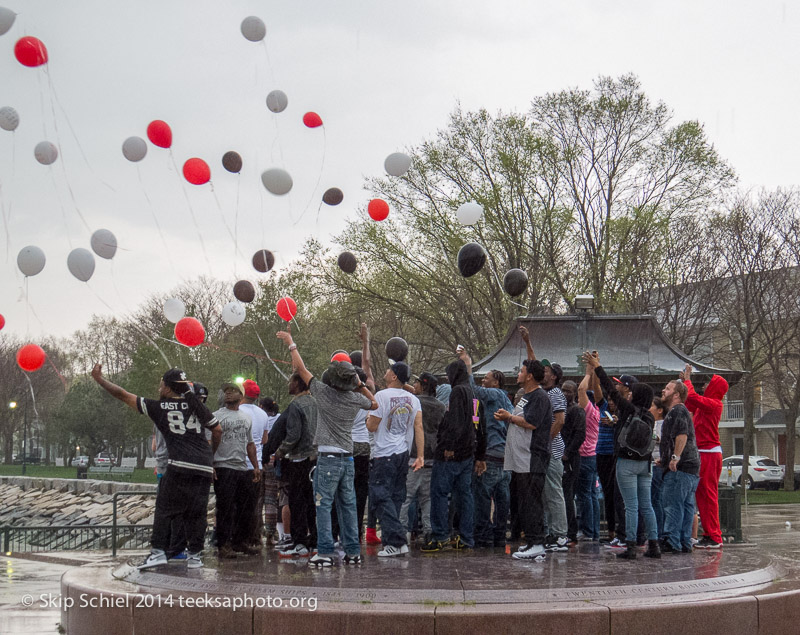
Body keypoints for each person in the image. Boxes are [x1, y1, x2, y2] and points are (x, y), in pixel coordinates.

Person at [91, 365, 220, 570]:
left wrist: (100, 380)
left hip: (179, 464)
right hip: (203, 466)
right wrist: (209, 458)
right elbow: (217, 429)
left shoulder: (159, 407)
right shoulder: (196, 406)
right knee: (197, 513)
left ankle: (158, 552)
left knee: (164, 509)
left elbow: (123, 395)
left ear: (168, 388)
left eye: (161, 385)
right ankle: (195, 555)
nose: (159, 388)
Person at [277, 330, 378, 567]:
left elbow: (301, 369)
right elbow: (374, 402)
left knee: (323, 505)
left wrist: (292, 343)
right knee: (349, 505)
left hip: (328, 458)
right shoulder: (354, 399)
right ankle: (353, 551)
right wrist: (360, 384)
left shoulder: (322, 393)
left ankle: (324, 551)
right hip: (348, 458)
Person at [586, 352, 660, 560]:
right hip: (645, 464)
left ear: (635, 396)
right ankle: (653, 545)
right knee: (647, 505)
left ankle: (631, 546)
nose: (627, 395)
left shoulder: (628, 410)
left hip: (626, 462)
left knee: (631, 506)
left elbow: (610, 389)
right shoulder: (649, 416)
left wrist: (598, 367)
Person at [495, 359, 552, 560]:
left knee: (531, 501)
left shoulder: (539, 396)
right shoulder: (527, 396)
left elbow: (531, 422)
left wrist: (509, 417)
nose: (518, 373)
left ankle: (537, 542)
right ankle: (531, 541)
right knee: (524, 502)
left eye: (521, 371)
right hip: (520, 459)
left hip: (532, 457)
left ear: (529, 376)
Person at [366, 362, 424, 557]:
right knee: (396, 497)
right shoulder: (413, 399)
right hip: (403, 454)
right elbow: (418, 427)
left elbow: (372, 426)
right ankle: (393, 543)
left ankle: (397, 540)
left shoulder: (381, 396)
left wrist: (368, 417)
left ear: (394, 377)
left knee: (380, 497)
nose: (386, 370)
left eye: (389, 369)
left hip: (384, 454)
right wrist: (421, 455)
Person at [458, 349, 513, 548]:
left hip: (490, 455)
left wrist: (468, 367)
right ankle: (499, 535)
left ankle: (482, 535)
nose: (484, 381)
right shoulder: (506, 399)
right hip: (504, 457)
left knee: (482, 497)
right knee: (502, 499)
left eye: (487, 378)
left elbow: (474, 392)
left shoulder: (494, 394)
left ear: (496, 382)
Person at [422, 359, 477, 552]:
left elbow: (456, 420)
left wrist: (449, 445)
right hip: (468, 452)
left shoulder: (457, 392)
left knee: (439, 493)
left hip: (451, 453)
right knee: (465, 495)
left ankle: (441, 535)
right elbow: (475, 421)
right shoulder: (471, 391)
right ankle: (466, 536)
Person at [210, 383, 261, 558]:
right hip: (223, 466)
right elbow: (210, 441)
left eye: (233, 390)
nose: (229, 393)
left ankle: (240, 541)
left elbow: (250, 443)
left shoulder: (246, 417)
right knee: (225, 507)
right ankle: (223, 544)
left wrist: (255, 466)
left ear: (242, 395)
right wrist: (211, 464)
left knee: (245, 507)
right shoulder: (216, 417)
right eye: (226, 391)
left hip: (241, 466)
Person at [272, 372, 318, 558]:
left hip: (298, 459)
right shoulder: (316, 403)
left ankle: (299, 543)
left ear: (298, 383)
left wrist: (279, 453)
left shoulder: (295, 406)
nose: (288, 384)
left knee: (297, 502)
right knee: (313, 502)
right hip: (315, 458)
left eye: (291, 381)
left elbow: (293, 436)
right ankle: (314, 540)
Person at [682, 365, 728, 550]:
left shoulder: (715, 403)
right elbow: (689, 403)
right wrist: (685, 384)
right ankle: (709, 534)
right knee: (703, 495)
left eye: (710, 383)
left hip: (709, 453)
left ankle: (715, 536)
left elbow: (692, 398)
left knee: (708, 495)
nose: (706, 385)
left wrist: (687, 379)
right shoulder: (706, 403)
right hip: (704, 452)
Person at [399, 372, 445, 544]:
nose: (415, 385)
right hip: (432, 456)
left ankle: (402, 532)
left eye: (417, 383)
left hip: (414, 455)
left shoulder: (414, 403)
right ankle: (428, 531)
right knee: (427, 498)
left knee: (407, 497)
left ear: (423, 386)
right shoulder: (440, 406)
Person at [659, 379, 701, 554]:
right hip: (691, 467)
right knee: (686, 504)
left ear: (676, 394)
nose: (663, 390)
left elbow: (681, 435)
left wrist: (674, 458)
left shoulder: (677, 411)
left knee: (673, 504)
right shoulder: (681, 411)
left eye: (667, 388)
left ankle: (672, 540)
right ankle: (685, 541)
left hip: (681, 467)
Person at [239, 379, 270, 547]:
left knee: (237, 504)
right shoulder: (263, 414)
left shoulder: (238, 411)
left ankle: (238, 539)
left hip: (239, 464)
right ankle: (254, 538)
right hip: (256, 464)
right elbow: (265, 439)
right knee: (254, 506)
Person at [576, 367, 601, 542]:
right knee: (592, 494)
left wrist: (587, 372)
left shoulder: (589, 412)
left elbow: (581, 389)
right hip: (594, 455)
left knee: (584, 494)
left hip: (584, 456)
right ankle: (594, 530)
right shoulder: (599, 412)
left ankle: (587, 530)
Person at [560, 380, 586, 545]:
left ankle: (571, 531)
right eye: (563, 390)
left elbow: (580, 435)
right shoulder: (560, 410)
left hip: (570, 458)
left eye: (569, 391)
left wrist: (567, 453)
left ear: (575, 393)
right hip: (559, 455)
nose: (565, 394)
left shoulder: (577, 411)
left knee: (568, 495)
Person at [649, 396, 668, 539]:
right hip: (650, 463)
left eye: (651, 407)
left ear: (660, 410)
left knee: (656, 499)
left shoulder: (661, 423)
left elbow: (660, 438)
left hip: (657, 463)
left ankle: (659, 532)